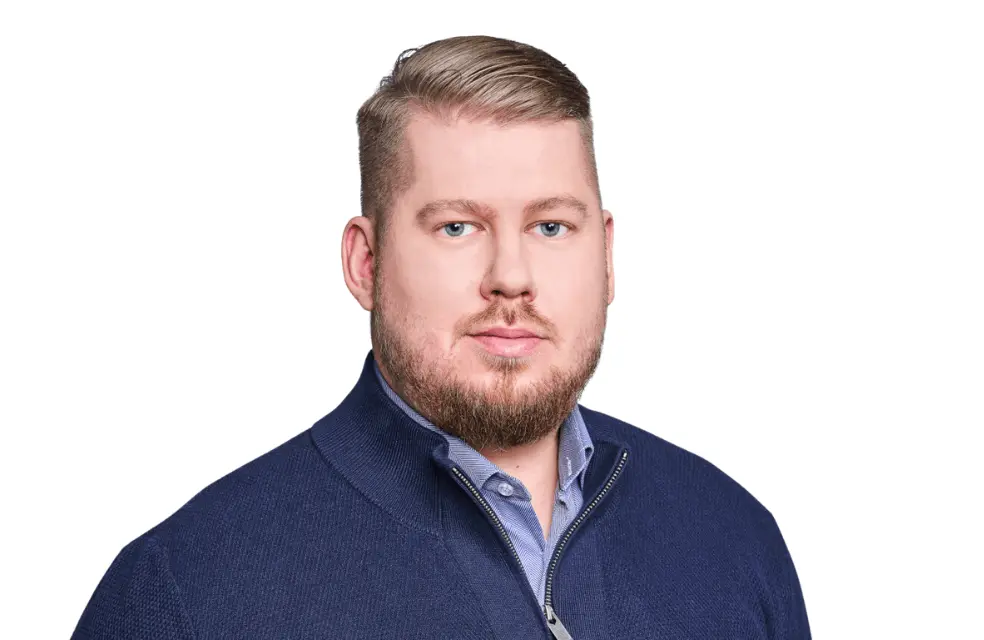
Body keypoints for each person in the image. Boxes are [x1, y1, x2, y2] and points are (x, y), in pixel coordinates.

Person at [72, 35, 811, 639]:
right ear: (367, 262)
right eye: (458, 227)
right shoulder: (187, 593)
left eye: (551, 226)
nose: (511, 277)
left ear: (607, 255)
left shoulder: (731, 539)